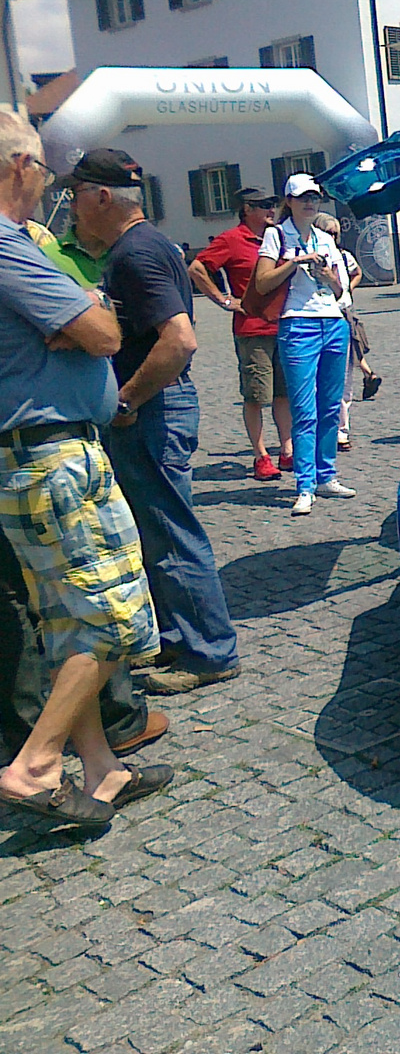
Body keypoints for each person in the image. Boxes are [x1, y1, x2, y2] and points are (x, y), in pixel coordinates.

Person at [0, 113, 172, 825]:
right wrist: (90, 314)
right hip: (53, 455)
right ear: (17, 167)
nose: (49, 185)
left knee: (68, 621)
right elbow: (104, 332)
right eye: (44, 170)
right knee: (109, 617)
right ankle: (35, 766)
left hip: (35, 458)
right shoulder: (9, 249)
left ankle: (100, 769)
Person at [65, 149, 243, 691]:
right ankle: (179, 636)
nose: (70, 209)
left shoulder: (136, 253)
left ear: (101, 197)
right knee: (156, 531)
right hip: (158, 407)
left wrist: (126, 400)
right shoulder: (151, 244)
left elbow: (179, 340)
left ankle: (209, 652)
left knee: (169, 533)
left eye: (74, 197)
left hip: (153, 410)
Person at [253, 174, 356, 517]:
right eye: (303, 198)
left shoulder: (326, 238)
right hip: (297, 323)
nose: (310, 203)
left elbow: (342, 292)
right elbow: (263, 282)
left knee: (330, 406)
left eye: (314, 197)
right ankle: (305, 485)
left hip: (333, 323)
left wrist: (330, 279)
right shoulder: (277, 234)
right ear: (290, 202)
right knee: (304, 409)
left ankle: (326, 475)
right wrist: (294, 262)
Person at [189, 187, 294, 481]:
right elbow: (197, 268)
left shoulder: (280, 237)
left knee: (284, 393)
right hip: (252, 329)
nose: (271, 211)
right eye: (263, 206)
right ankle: (260, 455)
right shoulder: (232, 240)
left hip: (285, 325)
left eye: (273, 205)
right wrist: (224, 300)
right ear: (247, 209)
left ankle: (286, 450)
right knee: (257, 395)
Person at [313, 214, 374, 452]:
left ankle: (341, 430)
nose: (334, 238)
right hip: (319, 318)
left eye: (336, 234)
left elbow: (355, 273)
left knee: (345, 379)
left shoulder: (344, 255)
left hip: (344, 316)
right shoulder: (312, 258)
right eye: (329, 233)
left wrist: (347, 289)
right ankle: (321, 428)